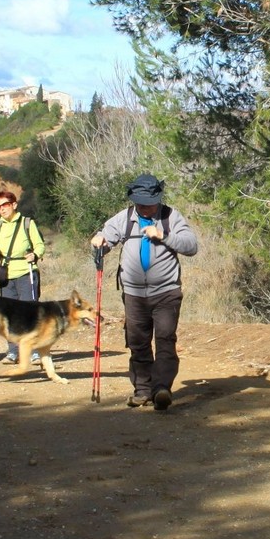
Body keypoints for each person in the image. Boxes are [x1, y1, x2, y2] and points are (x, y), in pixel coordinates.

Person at [91, 173, 200, 410]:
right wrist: (100, 242)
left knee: (165, 339)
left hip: (167, 292)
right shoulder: (125, 217)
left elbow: (191, 246)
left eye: (149, 204)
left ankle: (161, 389)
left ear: (158, 200)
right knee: (137, 342)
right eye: (140, 203)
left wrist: (163, 236)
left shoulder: (170, 216)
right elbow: (106, 238)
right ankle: (142, 391)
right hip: (133, 294)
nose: (144, 208)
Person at [0, 189, 46, 364]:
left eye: (5, 205)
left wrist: (35, 254)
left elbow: (40, 245)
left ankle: (33, 352)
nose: (2, 209)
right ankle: (13, 352)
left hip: (26, 273)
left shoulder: (27, 223)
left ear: (14, 205)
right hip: (6, 275)